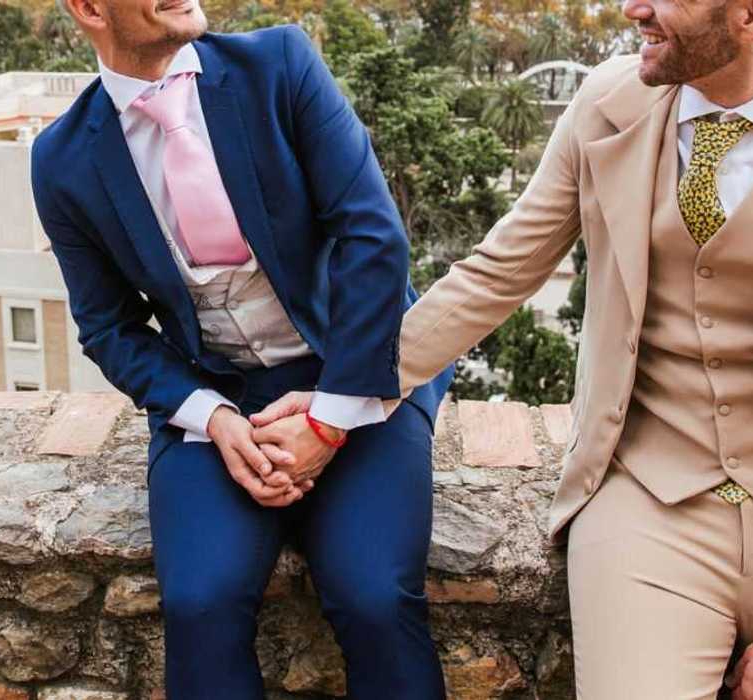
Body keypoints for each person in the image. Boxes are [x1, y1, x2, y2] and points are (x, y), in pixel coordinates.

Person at [265, 0, 753, 697]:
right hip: (651, 504)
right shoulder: (608, 103)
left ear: (752, 14)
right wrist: (339, 400)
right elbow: (500, 272)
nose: (633, 8)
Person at [30, 1, 452, 697]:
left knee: (373, 595)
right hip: (215, 395)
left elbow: (373, 239)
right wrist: (214, 419)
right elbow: (109, 327)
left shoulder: (280, 65)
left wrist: (330, 417)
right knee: (200, 602)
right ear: (88, 8)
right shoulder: (62, 158)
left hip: (353, 369)